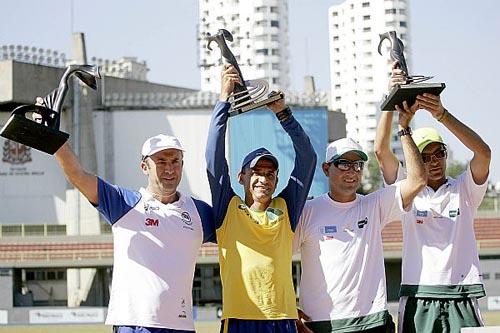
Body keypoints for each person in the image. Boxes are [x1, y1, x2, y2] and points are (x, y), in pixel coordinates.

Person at [53, 133, 215, 333]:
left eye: (175, 161)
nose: (170, 169)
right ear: (144, 167)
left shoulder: (199, 212)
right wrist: (55, 141)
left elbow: (240, 229)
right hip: (134, 323)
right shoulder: (124, 203)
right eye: (161, 162)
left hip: (181, 326)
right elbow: (78, 175)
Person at [374, 63, 491, 332]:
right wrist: (392, 98)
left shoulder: (464, 188)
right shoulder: (407, 189)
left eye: (439, 153)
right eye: (425, 157)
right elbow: (381, 152)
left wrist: (442, 114)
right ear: (416, 158)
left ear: (446, 154)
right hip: (419, 293)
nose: (434, 161)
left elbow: (483, 153)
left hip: (462, 292)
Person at [294, 101, 427, 333]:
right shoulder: (308, 210)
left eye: (357, 165)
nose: (352, 171)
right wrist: (286, 306)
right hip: (323, 325)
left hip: (373, 321)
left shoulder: (373, 205)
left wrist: (404, 129)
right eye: (344, 164)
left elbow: (417, 181)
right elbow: (274, 260)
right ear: (327, 169)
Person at [206, 64, 317, 333]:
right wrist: (223, 99)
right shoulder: (228, 207)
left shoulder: (286, 205)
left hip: (282, 319)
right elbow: (212, 156)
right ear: (240, 176)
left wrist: (284, 115)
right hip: (239, 320)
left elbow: (308, 158)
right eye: (256, 172)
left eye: (270, 173)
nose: (263, 179)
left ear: (276, 180)